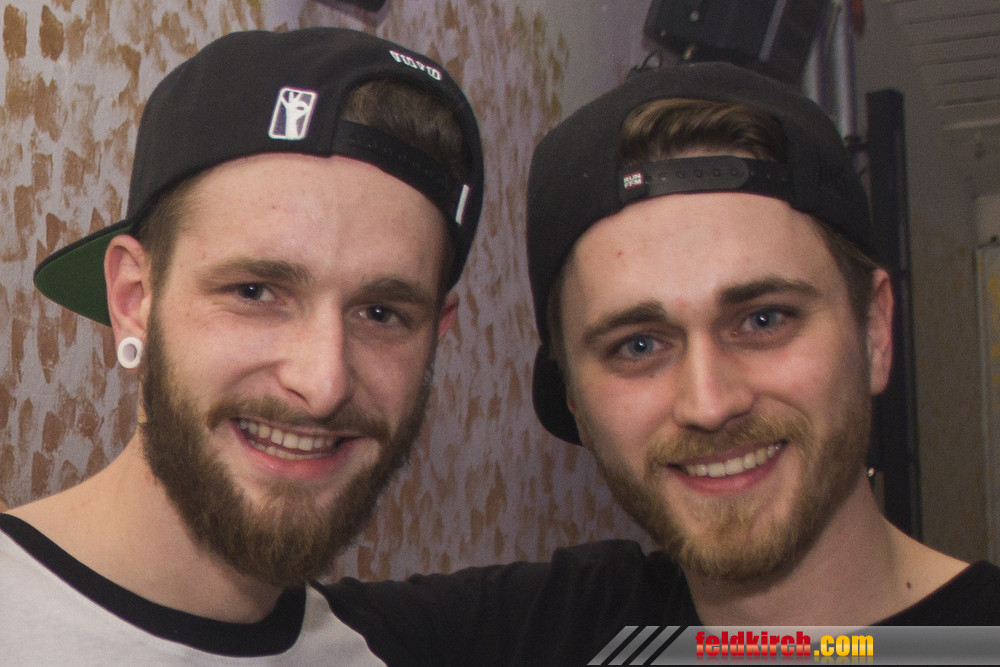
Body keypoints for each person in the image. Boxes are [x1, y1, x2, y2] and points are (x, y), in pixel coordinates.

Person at [326, 61, 1000, 666]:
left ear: (874, 330)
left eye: (763, 320)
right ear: (574, 400)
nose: (709, 403)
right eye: (639, 345)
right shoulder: (535, 637)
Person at [0, 27, 483, 663]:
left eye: (380, 312)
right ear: (134, 299)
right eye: (255, 291)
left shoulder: (370, 651)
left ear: (436, 335)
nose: (323, 384)